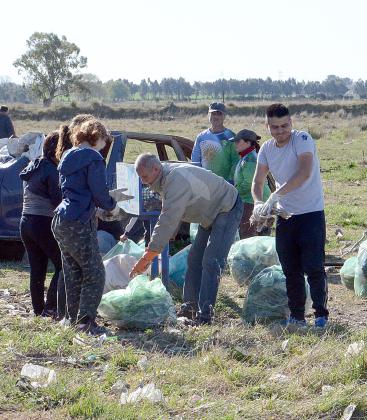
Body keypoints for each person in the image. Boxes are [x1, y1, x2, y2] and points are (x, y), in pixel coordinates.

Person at [130, 153, 242, 325]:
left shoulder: (175, 180)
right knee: (194, 260)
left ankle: (205, 315)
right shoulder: (162, 177)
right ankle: (189, 309)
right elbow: (173, 209)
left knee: (211, 262)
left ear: (156, 169)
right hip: (209, 213)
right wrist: (171, 231)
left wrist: (148, 256)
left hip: (227, 207)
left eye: (144, 177)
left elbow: (168, 218)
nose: (143, 181)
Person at [251, 103, 329, 329]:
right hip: (286, 216)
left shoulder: (302, 140)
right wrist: (258, 202)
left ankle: (321, 315)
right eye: (275, 127)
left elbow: (304, 172)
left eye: (284, 125)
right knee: (290, 268)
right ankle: (297, 316)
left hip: (311, 212)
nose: (280, 131)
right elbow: (257, 182)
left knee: (314, 267)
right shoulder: (266, 149)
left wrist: (276, 194)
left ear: (291, 123)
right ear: (267, 126)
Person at [52, 117, 129, 335]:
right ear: (97, 136)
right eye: (105, 141)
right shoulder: (93, 158)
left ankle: (72, 318)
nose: (105, 146)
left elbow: (78, 190)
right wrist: (111, 205)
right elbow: (98, 192)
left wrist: (106, 197)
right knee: (95, 273)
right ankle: (86, 322)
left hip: (60, 219)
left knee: (73, 272)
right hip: (78, 221)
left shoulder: (67, 155)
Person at [19, 131, 64, 318]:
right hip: (42, 222)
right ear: (57, 149)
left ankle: (39, 311)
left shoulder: (34, 164)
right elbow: (58, 201)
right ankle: (51, 307)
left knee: (38, 269)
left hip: (25, 222)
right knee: (63, 265)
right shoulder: (52, 170)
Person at [232, 129, 271, 239]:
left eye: (238, 141)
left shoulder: (250, 159)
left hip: (252, 200)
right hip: (248, 199)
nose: (235, 144)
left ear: (248, 143)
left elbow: (250, 183)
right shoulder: (246, 156)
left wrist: (233, 192)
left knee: (247, 233)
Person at [191, 102, 239, 183]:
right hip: (205, 182)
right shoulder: (201, 137)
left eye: (219, 114)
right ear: (208, 115)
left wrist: (230, 181)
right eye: (213, 114)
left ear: (224, 116)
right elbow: (195, 161)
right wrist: (198, 178)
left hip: (225, 183)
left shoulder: (231, 136)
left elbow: (236, 161)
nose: (216, 116)